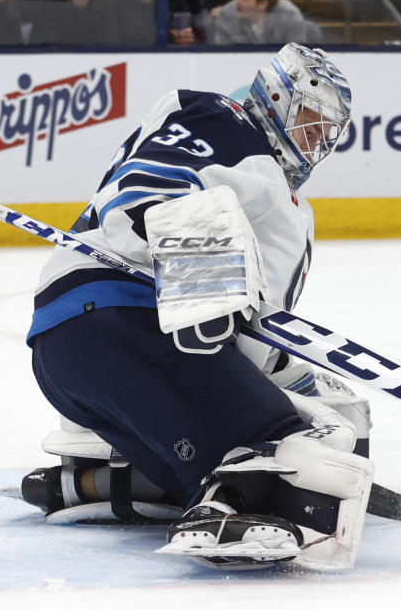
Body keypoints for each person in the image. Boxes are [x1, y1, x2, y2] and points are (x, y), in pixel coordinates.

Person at [21, 43, 373, 571]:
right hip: (130, 325)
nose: (313, 141)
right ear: (274, 94)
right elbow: (147, 194)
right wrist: (282, 390)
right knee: (283, 440)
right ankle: (225, 511)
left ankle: (89, 483)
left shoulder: (200, 121)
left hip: (58, 344)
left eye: (325, 134)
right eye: (308, 120)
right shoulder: (251, 158)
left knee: (201, 443)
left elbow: (248, 331)